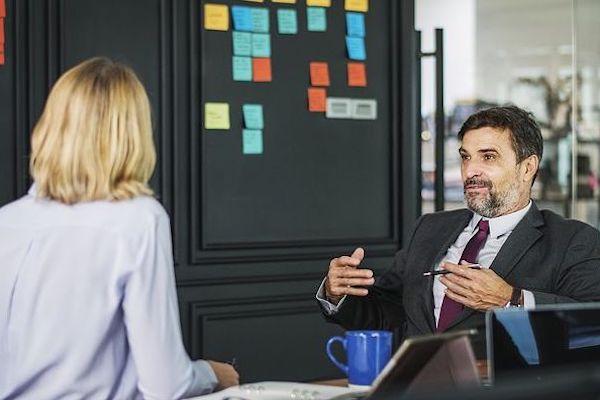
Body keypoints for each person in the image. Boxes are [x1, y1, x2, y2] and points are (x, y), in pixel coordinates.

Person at [0, 58, 238, 399]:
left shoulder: (7, 221)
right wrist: (211, 374)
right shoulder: (138, 219)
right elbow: (165, 386)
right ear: (133, 132)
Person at [316, 105, 600, 357]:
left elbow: (592, 326)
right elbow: (388, 313)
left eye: (488, 157)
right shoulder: (429, 228)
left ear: (527, 167)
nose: (470, 171)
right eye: (465, 157)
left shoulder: (574, 241)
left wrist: (510, 299)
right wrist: (338, 293)